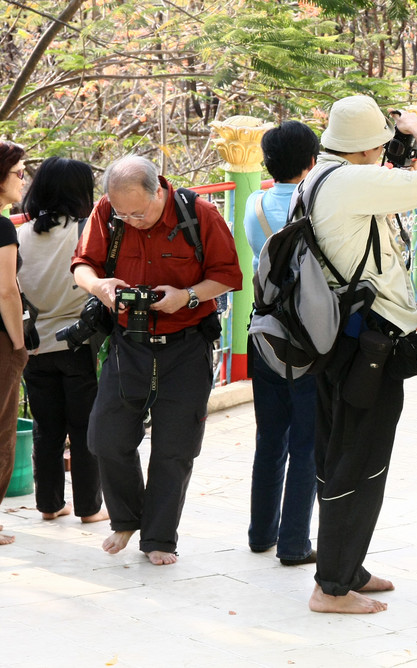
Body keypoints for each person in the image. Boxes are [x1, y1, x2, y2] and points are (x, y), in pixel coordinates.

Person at [308, 95, 417, 614]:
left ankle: (346, 565)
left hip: (337, 339)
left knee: (338, 453)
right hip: (364, 343)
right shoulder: (350, 181)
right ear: (370, 145)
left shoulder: (320, 176)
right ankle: (331, 589)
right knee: (360, 459)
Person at [71, 155, 242, 565]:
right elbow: (82, 266)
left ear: (158, 191)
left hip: (186, 343)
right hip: (128, 341)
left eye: (139, 212)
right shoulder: (106, 214)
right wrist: (99, 286)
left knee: (175, 447)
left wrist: (188, 296)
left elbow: (229, 275)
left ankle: (160, 538)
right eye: (122, 213)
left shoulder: (198, 215)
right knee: (105, 437)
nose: (131, 220)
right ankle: (127, 518)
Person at [244, 121, 320, 566]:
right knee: (306, 443)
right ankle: (294, 543)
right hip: (306, 334)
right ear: (313, 161)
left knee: (270, 437)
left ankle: (261, 533)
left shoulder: (254, 203)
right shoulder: (313, 204)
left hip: (263, 329)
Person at [18, 157, 108, 524]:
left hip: (34, 346)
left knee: (47, 428)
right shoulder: (87, 232)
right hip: (78, 345)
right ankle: (89, 507)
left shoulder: (19, 235)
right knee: (85, 428)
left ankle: (50, 504)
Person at [0, 141, 29, 546]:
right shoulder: (3, 227)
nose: (24, 179)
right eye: (19, 171)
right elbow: (7, 292)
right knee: (2, 432)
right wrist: (20, 346)